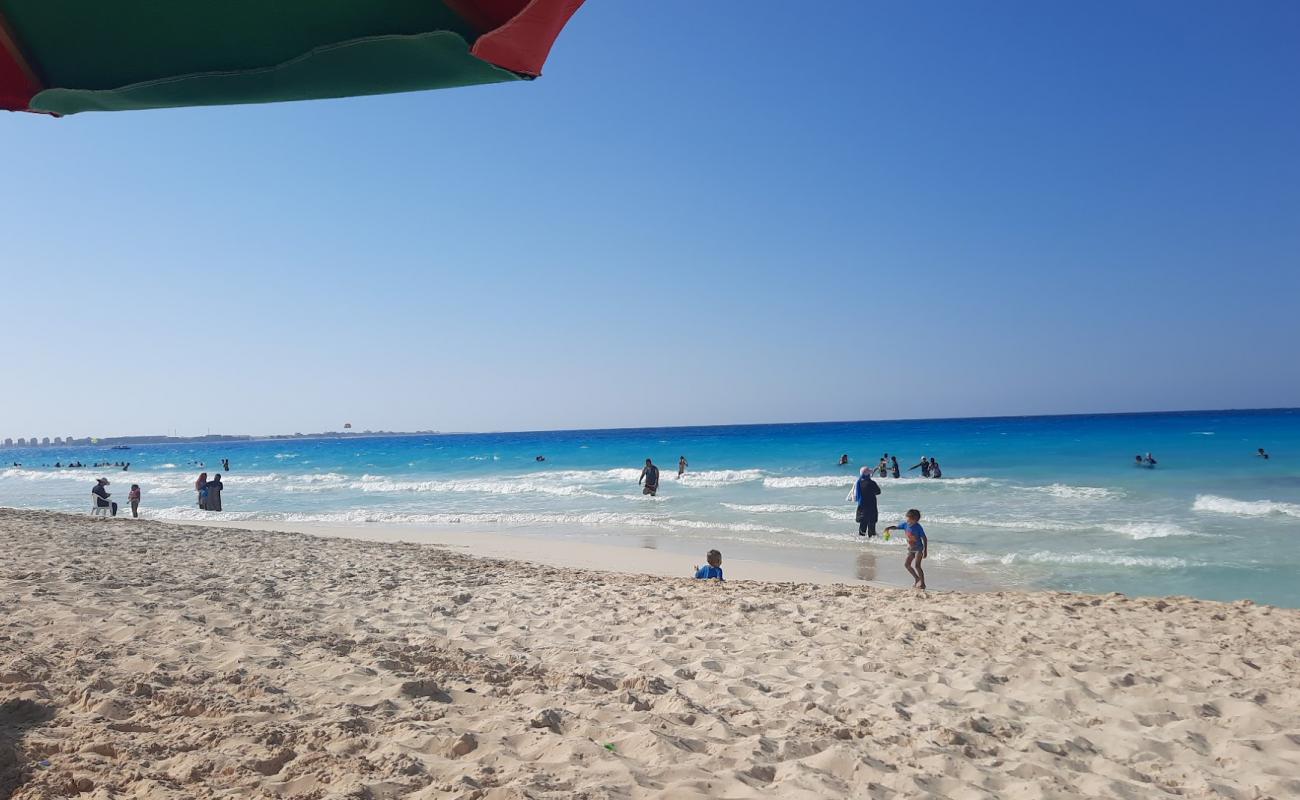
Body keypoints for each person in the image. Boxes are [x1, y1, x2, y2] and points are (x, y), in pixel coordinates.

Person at [884, 509, 927, 590]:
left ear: (915, 519)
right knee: (907, 565)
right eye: (907, 518)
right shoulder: (905, 524)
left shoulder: (918, 527)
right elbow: (896, 527)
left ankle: (923, 583)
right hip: (911, 549)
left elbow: (924, 538)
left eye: (909, 518)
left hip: (919, 549)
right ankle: (917, 578)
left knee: (917, 566)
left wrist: (925, 550)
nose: (907, 520)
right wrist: (888, 528)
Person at [851, 466, 882, 538]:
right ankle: (871, 543)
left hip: (861, 506)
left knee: (862, 526)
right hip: (871, 507)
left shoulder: (858, 482)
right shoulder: (871, 483)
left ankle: (861, 543)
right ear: (867, 474)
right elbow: (878, 492)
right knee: (871, 528)